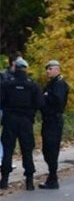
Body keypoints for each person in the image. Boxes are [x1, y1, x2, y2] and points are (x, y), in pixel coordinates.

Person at [0, 58, 44, 191]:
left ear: (15, 69)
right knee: (27, 150)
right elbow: (40, 103)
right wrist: (31, 112)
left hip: (10, 120)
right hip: (26, 121)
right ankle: (29, 181)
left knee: (8, 150)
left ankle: (4, 180)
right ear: (26, 69)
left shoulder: (7, 84)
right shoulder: (33, 85)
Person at [38, 60, 69, 190]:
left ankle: (53, 177)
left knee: (51, 149)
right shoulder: (52, 83)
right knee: (47, 149)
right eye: (47, 69)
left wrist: (46, 96)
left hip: (54, 120)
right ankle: (52, 176)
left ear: (57, 69)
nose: (47, 71)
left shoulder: (59, 84)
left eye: (50, 69)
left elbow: (57, 100)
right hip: (48, 119)